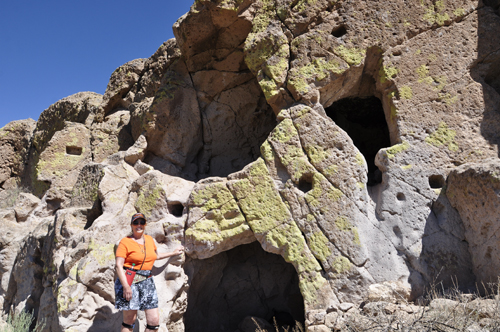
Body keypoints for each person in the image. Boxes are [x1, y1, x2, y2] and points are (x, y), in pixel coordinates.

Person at [115, 212, 184, 331]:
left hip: (147, 281)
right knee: (129, 321)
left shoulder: (149, 239)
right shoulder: (125, 242)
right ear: (131, 225)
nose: (139, 225)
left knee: (154, 321)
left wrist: (173, 253)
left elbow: (156, 256)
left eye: (142, 222)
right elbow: (118, 265)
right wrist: (126, 287)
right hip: (130, 280)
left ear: (145, 224)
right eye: (136, 222)